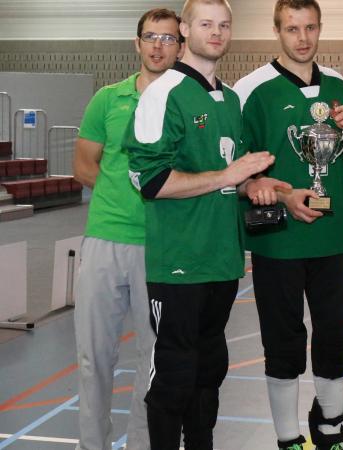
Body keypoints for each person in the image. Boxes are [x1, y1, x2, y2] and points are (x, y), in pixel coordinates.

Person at [125, 0, 275, 448]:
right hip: (179, 263)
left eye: (224, 25)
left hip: (223, 261)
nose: (216, 32)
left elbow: (236, 176)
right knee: (174, 374)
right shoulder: (164, 92)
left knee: (209, 373)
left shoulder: (229, 99)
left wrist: (268, 188)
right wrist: (229, 176)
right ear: (185, 30)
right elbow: (150, 181)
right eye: (206, 24)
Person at [232, 0, 343, 449]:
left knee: (333, 337)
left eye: (310, 27)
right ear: (277, 31)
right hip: (278, 243)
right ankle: (288, 437)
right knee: (283, 342)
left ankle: (331, 427)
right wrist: (277, 192)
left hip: (331, 240)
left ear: (320, 28)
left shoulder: (339, 85)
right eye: (292, 28)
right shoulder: (251, 89)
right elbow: (238, 168)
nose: (303, 37)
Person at [72, 8, 182, 450]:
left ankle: (143, 444)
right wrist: (127, 192)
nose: (158, 45)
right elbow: (83, 165)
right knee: (93, 358)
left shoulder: (186, 102)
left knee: (154, 361)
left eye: (169, 38)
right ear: (137, 43)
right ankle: (91, 445)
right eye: (151, 37)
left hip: (160, 249)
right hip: (104, 239)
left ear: (181, 45)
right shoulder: (108, 99)